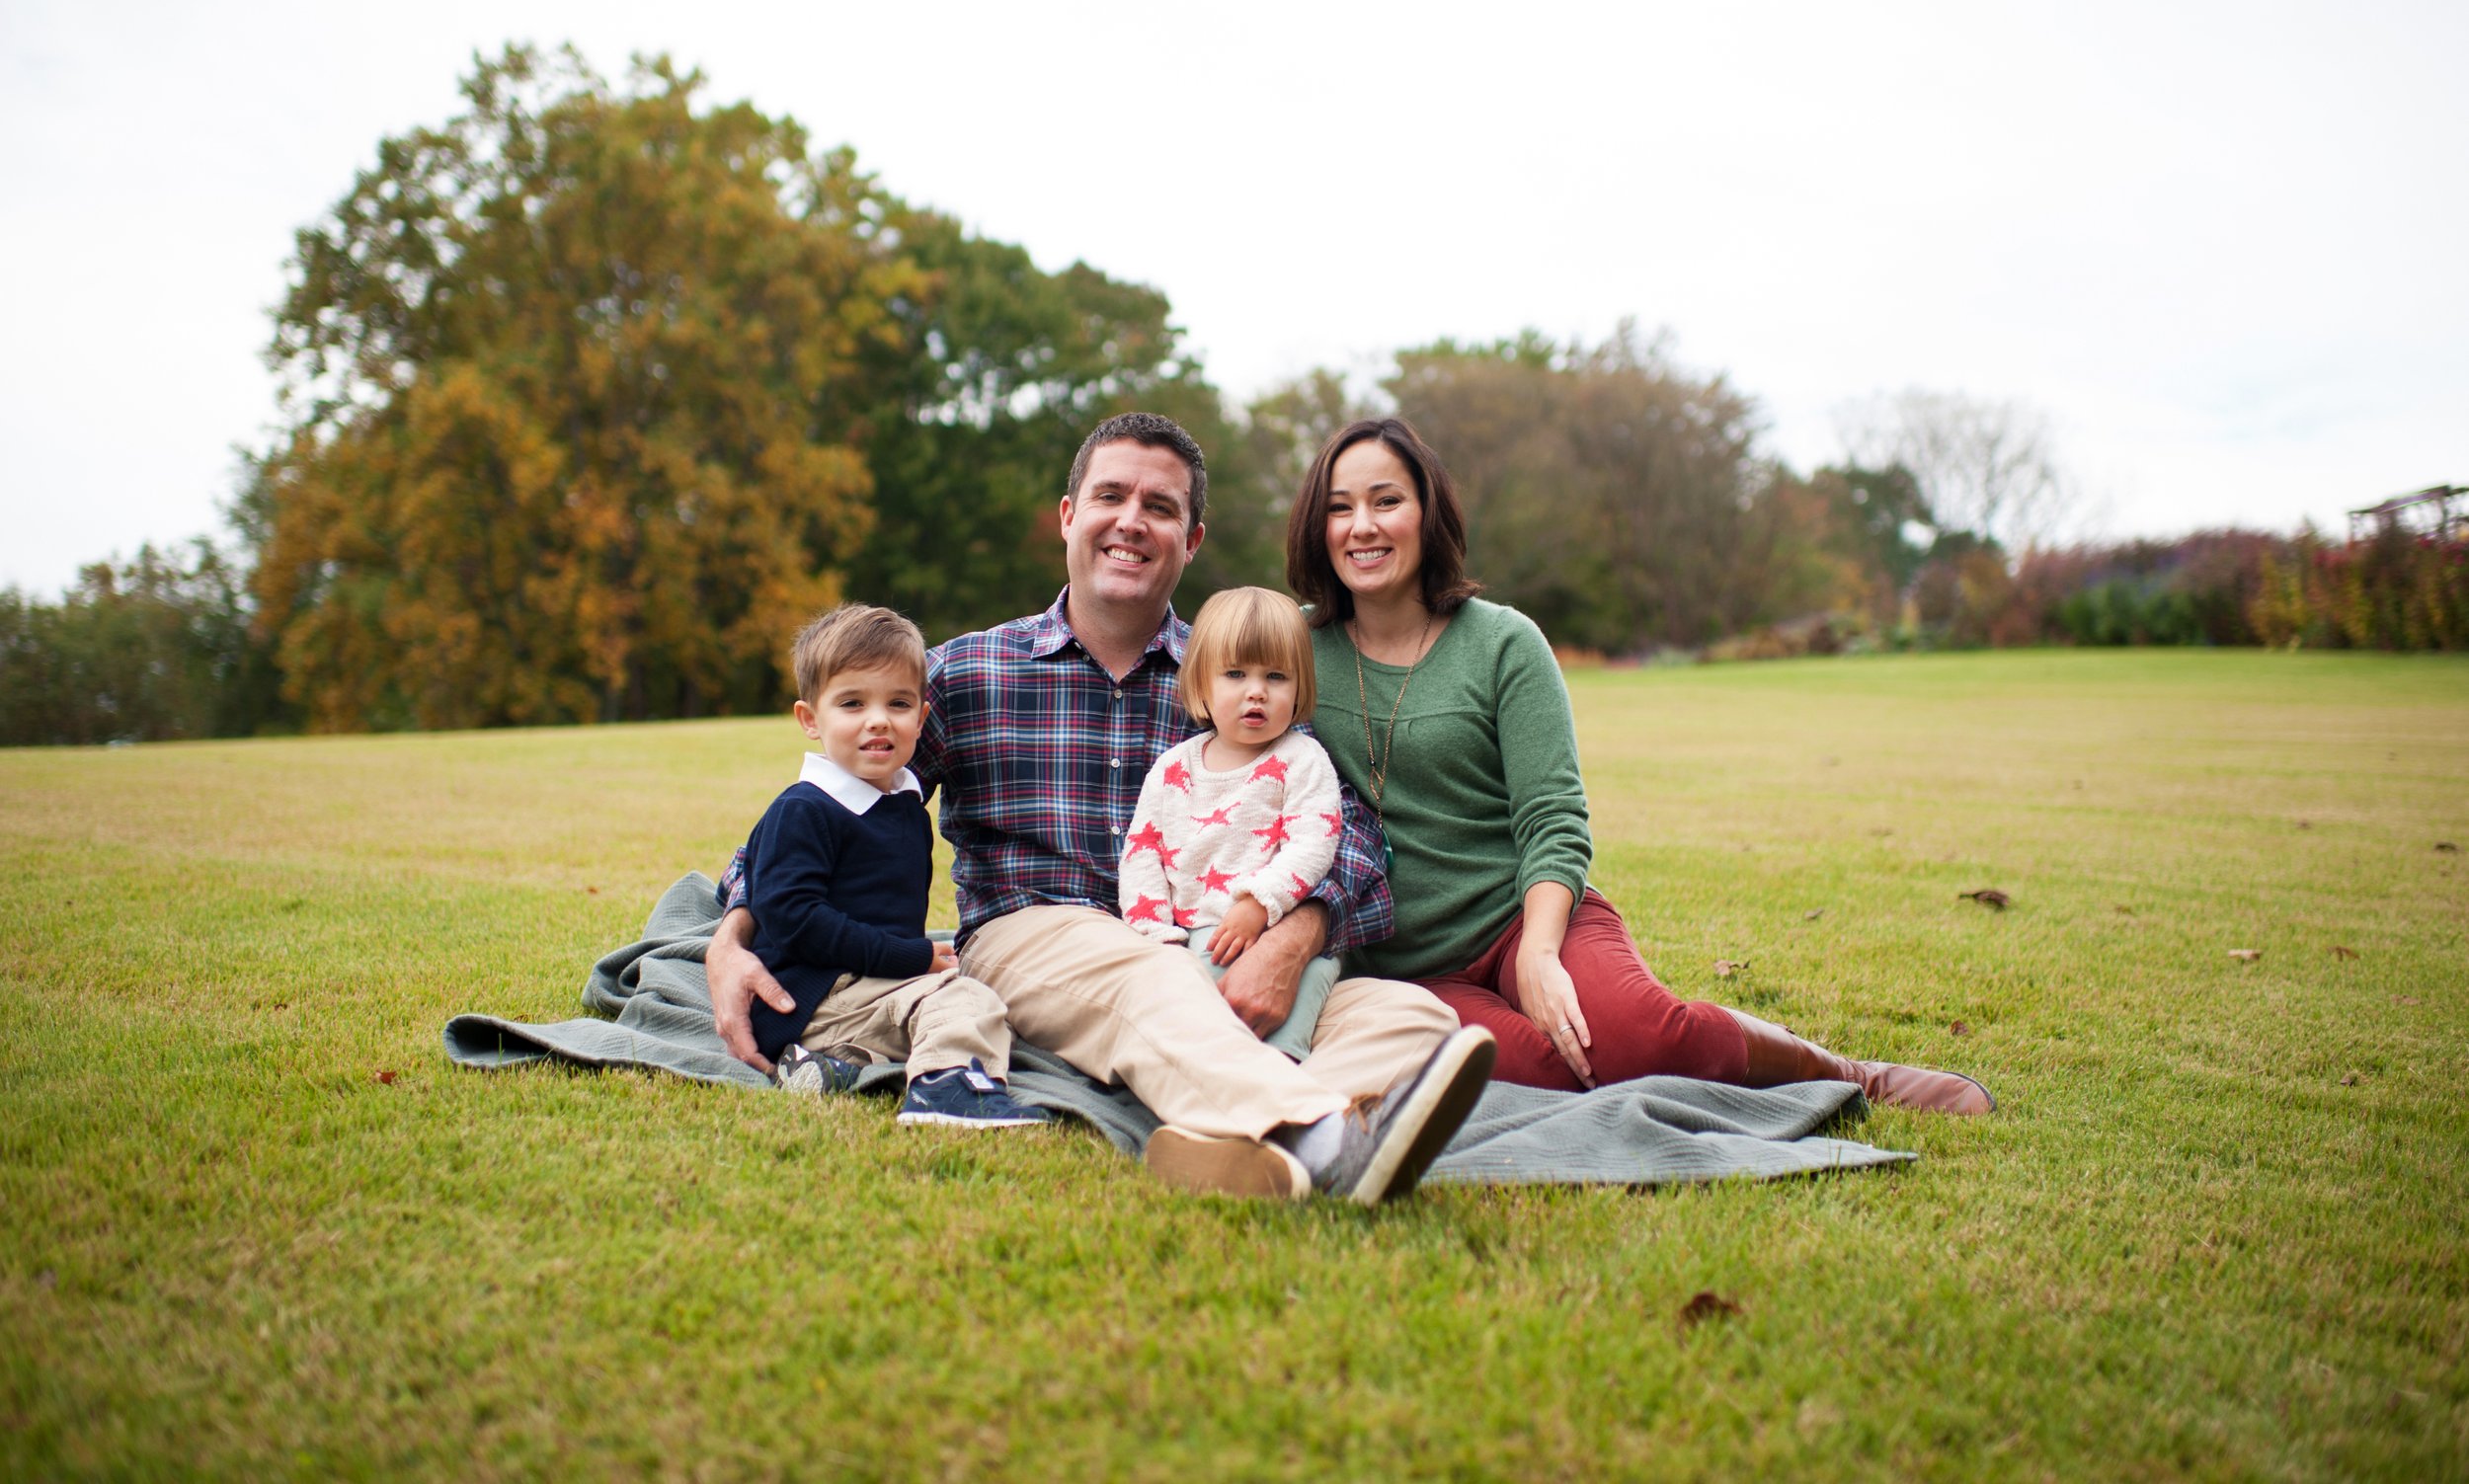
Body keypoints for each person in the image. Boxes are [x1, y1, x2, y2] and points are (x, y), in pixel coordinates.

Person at [707, 412, 1496, 1204]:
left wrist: (1291, 938)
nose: (1131, 521)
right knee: (1147, 976)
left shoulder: (1235, 680)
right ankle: (1318, 1133)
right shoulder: (968, 674)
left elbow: (1351, 836)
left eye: (1160, 507)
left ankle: (1224, 1142)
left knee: (1411, 1018)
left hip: (1207, 940)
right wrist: (734, 935)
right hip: (1035, 935)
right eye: (1111, 496)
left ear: (1189, 541)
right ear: (1068, 517)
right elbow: (814, 814)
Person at [1285, 417, 1994, 1113]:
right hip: (1412, 973)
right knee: (1549, 1073)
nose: (1363, 526)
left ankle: (1850, 1073)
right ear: (1318, 527)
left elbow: (1552, 818)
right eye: (1340, 507)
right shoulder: (1293, 655)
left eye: (1386, 501)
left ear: (1426, 513)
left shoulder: (1503, 644)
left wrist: (1536, 953)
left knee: (1639, 1040)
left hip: (1528, 921)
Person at [739, 603, 1047, 1129]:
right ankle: (947, 1088)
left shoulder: (903, 803)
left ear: (922, 718)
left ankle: (834, 1069)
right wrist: (913, 957)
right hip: (812, 995)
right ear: (810, 720)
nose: (878, 719)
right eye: (852, 703)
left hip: (866, 989)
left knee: (958, 995)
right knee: (965, 998)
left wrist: (909, 960)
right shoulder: (805, 809)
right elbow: (793, 920)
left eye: (898, 703)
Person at [1119, 586, 1345, 1060]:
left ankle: (1284, 1079)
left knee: (1287, 1027)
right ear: (1201, 685)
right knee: (1196, 1032)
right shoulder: (1174, 770)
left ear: (1301, 687)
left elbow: (1314, 842)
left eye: (1277, 676)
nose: (1256, 691)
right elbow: (1142, 857)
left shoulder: (1302, 761)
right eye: (1236, 674)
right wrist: (1157, 939)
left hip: (1278, 934)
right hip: (1193, 938)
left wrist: (1260, 904)